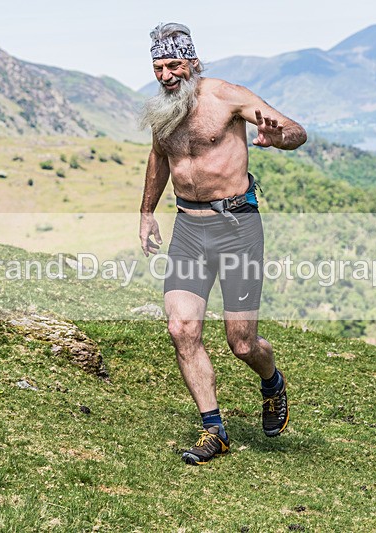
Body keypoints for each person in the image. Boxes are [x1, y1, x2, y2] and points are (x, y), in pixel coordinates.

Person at [138, 22, 307, 465]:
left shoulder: (228, 96)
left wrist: (279, 138)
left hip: (237, 228)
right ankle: (214, 429)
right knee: (182, 328)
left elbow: (296, 131)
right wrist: (146, 213)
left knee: (242, 342)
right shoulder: (163, 111)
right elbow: (159, 159)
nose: (166, 75)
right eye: (158, 66)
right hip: (189, 231)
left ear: (193, 62)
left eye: (174, 64)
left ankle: (272, 382)